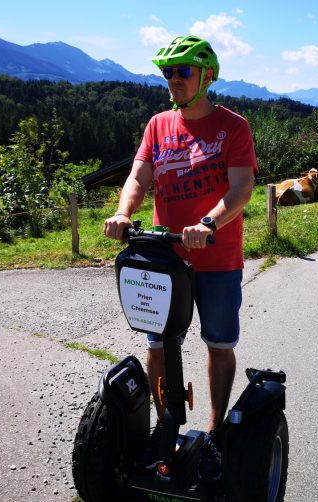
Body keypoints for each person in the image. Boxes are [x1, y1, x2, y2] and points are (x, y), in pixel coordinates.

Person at [102, 35, 257, 480]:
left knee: (218, 342)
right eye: (167, 72)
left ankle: (213, 429)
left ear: (207, 75)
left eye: (183, 71)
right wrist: (122, 212)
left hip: (216, 256)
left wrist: (208, 224)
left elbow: (242, 188)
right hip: (163, 256)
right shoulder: (157, 125)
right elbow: (138, 176)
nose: (173, 80)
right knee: (156, 343)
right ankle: (165, 424)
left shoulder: (234, 127)